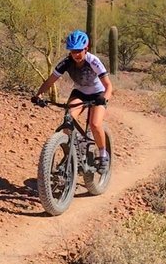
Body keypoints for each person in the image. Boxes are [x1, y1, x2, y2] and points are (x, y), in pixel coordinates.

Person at [32, 29, 113, 173]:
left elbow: (108, 86)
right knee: (68, 119)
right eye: (72, 51)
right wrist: (39, 94)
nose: (75, 54)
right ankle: (73, 154)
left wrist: (104, 98)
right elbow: (51, 80)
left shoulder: (93, 61)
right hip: (80, 93)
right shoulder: (66, 62)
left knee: (95, 124)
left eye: (78, 51)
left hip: (98, 94)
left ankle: (103, 155)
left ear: (86, 48)